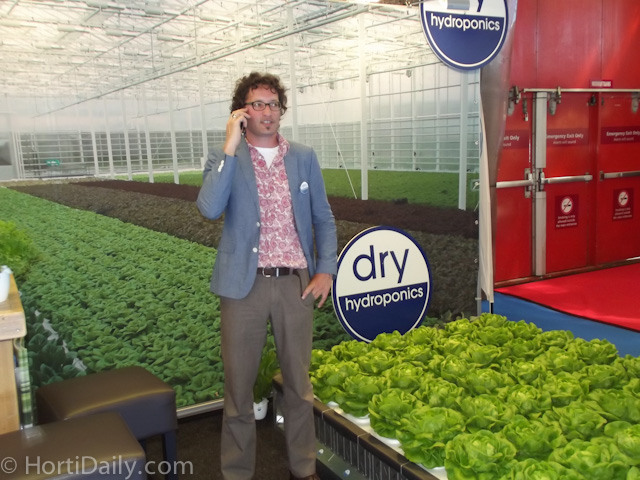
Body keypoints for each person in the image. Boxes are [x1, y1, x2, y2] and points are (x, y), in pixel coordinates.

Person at [196, 72, 337, 480]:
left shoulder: (303, 156)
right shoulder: (225, 157)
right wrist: (230, 145)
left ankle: (303, 468)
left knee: (299, 387)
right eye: (257, 104)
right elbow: (209, 208)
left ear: (281, 110)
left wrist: (325, 269)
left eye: (273, 104)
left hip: (295, 284)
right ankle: (237, 473)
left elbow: (323, 218)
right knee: (239, 390)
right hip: (244, 288)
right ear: (241, 112)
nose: (267, 112)